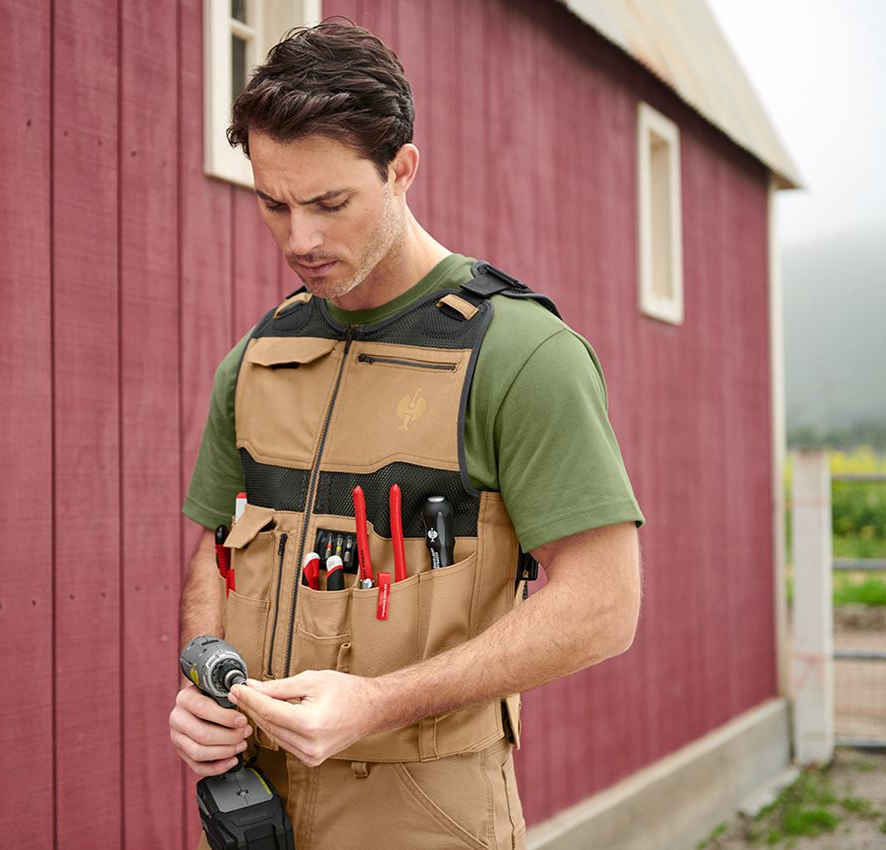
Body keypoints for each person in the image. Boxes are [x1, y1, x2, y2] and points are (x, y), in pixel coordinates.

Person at [169, 20, 643, 849]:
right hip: (253, 815)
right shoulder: (257, 358)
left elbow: (603, 607)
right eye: (273, 203)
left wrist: (378, 703)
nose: (300, 239)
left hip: (428, 819)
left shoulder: (522, 355)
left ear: (402, 170)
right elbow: (216, 548)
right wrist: (205, 678)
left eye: (329, 204)